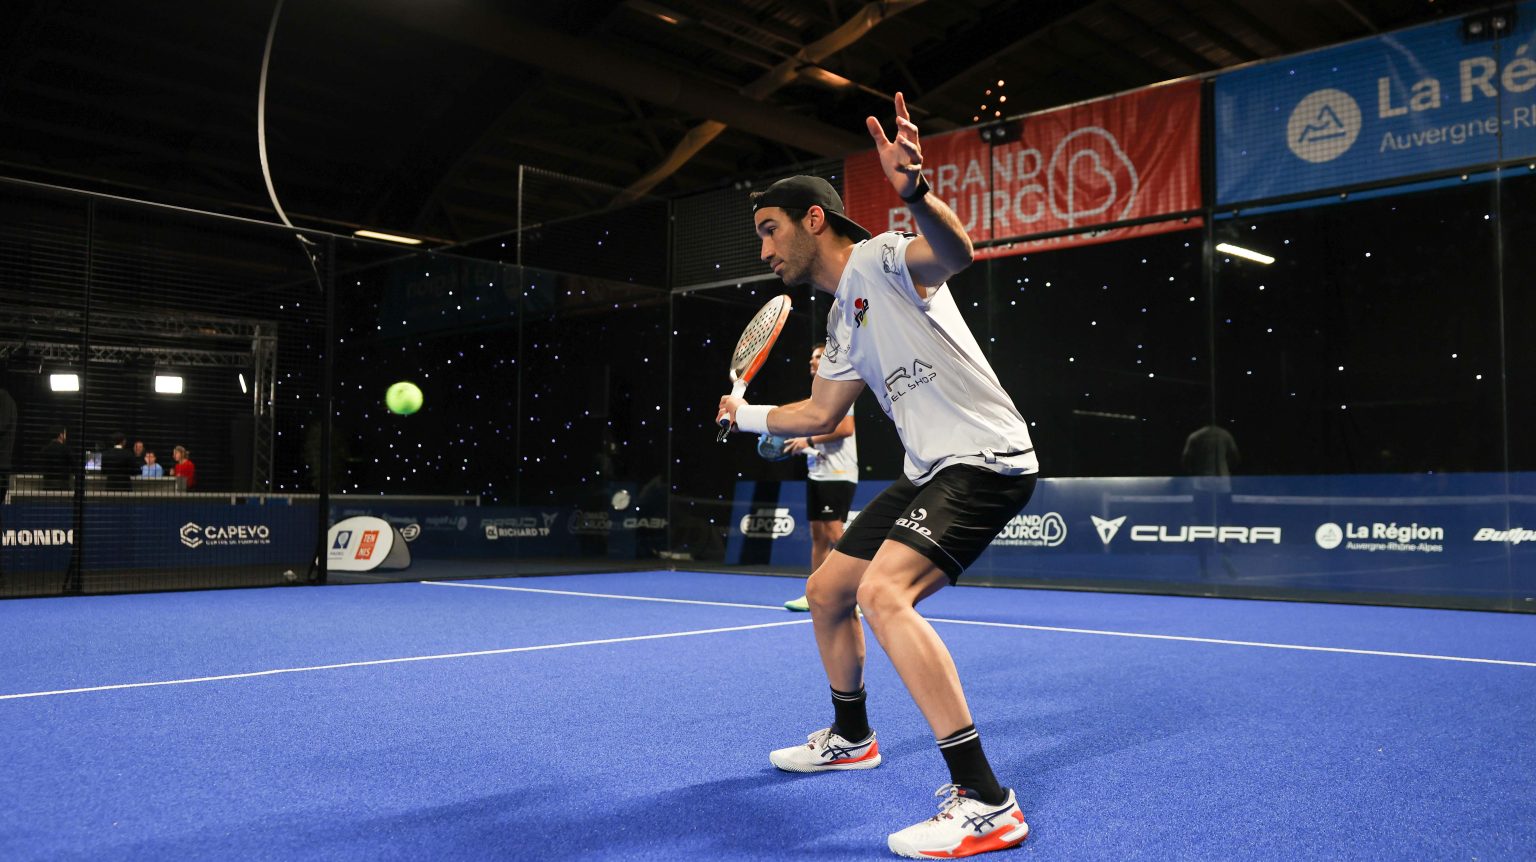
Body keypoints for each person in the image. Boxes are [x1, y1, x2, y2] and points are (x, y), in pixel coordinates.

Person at [717, 93, 1038, 858]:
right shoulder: (840, 321)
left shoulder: (884, 258)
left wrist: (915, 191)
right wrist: (748, 414)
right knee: (829, 590)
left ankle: (986, 801)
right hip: (929, 471)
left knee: (882, 592)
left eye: (770, 229)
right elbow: (822, 413)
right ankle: (852, 736)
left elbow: (954, 254)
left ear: (814, 220)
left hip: (985, 459)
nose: (764, 251)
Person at [783, 341, 857, 613]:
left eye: (818, 356)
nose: (812, 361)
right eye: (811, 357)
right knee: (818, 537)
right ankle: (815, 595)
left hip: (838, 474)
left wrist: (809, 440)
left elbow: (846, 428)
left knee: (836, 534)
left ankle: (854, 595)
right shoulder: (816, 396)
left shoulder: (840, 390)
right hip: (818, 472)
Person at [39, 426, 71, 490]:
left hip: (48, 486)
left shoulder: (45, 449)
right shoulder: (66, 449)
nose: (65, 436)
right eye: (65, 434)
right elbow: (73, 464)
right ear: (61, 435)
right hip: (63, 486)